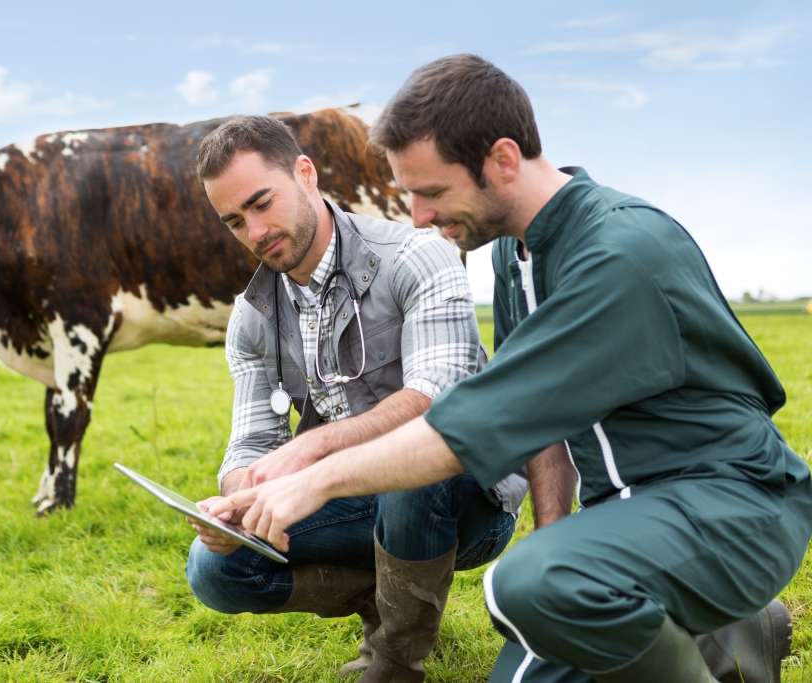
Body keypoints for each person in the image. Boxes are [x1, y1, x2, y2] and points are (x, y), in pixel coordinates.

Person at [210, 56, 812, 683]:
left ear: (502, 160)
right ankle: (734, 638)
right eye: (409, 194)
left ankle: (707, 638)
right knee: (534, 597)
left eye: (433, 192)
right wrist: (555, 535)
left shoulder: (619, 253)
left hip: (728, 506)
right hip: (630, 517)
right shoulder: (515, 253)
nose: (417, 217)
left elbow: (469, 423)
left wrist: (317, 477)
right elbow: (542, 420)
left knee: (523, 585)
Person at [185, 115, 562, 682]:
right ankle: (396, 592)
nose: (256, 232)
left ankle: (393, 659)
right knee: (213, 570)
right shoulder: (252, 314)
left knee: (410, 470)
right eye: (235, 221)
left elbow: (439, 402)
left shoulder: (416, 256)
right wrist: (236, 505)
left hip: (464, 497)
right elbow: (251, 444)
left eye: (263, 203)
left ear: (305, 174)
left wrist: (308, 457)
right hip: (348, 496)